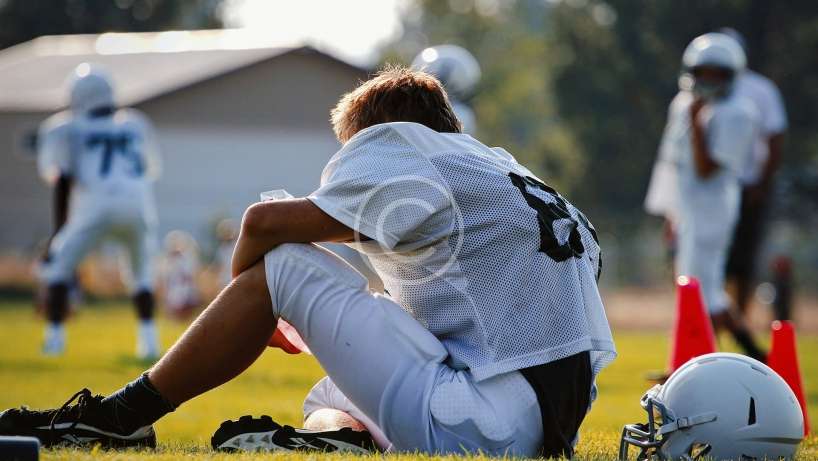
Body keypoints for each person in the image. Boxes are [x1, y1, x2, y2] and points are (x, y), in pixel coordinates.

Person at [0, 66, 615, 458]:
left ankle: (121, 417)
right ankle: (339, 442)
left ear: (378, 134)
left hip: (483, 420)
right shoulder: (501, 171)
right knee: (330, 396)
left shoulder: (403, 145)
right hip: (537, 421)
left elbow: (263, 225)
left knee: (286, 263)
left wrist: (257, 300)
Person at [646, 33, 764, 361]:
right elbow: (673, 164)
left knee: (699, 291)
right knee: (698, 289)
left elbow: (706, 169)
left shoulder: (739, 112)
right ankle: (749, 355)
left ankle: (699, 359)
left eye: (717, 74)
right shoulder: (683, 103)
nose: (708, 81)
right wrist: (671, 211)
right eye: (703, 73)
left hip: (713, 208)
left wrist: (698, 124)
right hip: (689, 208)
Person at [35, 63, 162, 358]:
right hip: (137, 204)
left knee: (57, 268)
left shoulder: (66, 128)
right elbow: (150, 169)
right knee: (142, 275)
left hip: (95, 205)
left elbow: (62, 179)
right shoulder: (135, 123)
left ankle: (54, 341)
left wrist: (57, 233)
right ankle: (149, 343)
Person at [719, 28, 789, 316]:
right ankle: (713, 317)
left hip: (748, 186)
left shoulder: (761, 90)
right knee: (714, 258)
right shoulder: (704, 90)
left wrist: (762, 184)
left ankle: (739, 317)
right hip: (713, 189)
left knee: (743, 259)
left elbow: (775, 139)